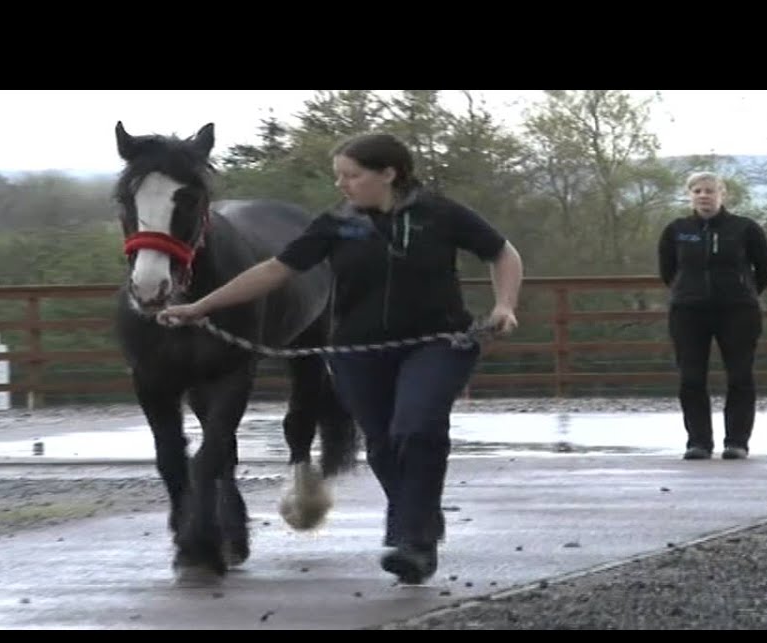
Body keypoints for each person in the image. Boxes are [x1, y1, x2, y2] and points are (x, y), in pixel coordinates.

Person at [156, 132, 524, 584]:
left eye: (351, 175)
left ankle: (412, 539)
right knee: (384, 444)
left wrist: (504, 304)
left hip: (438, 343)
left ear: (388, 173)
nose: (342, 185)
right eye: (339, 177)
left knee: (416, 427)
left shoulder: (440, 214)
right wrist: (202, 305)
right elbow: (275, 270)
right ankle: (420, 520)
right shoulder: (337, 223)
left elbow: (502, 252)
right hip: (356, 351)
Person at [657, 171, 767, 461]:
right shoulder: (677, 229)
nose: (703, 195)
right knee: (691, 378)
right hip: (688, 312)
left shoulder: (744, 228)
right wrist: (688, 292)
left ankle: (736, 441)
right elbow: (668, 271)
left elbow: (765, 269)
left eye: (709, 190)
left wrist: (742, 292)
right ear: (690, 195)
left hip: (737, 312)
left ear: (722, 194)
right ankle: (698, 442)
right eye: (697, 190)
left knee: (739, 376)